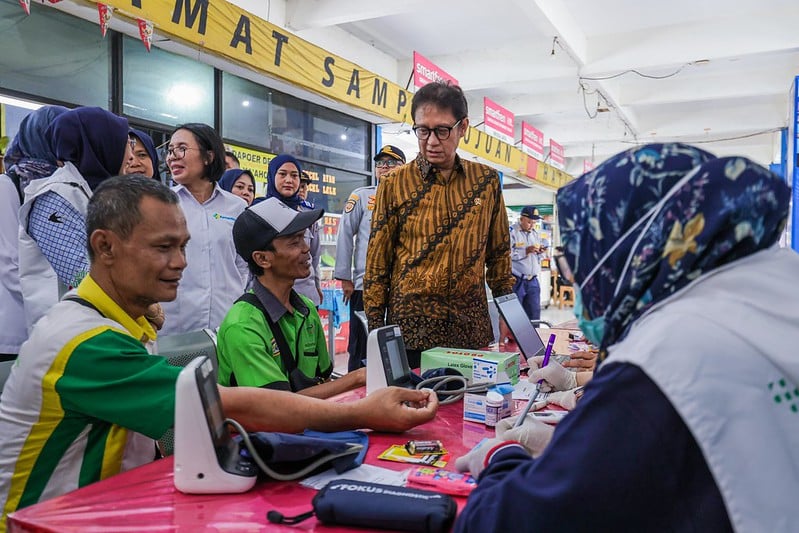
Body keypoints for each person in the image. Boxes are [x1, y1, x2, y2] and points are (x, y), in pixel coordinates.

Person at [0, 176, 438, 523]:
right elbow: (233, 405)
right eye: (163, 247)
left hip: (108, 507)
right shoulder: (84, 341)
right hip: (46, 521)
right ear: (104, 247)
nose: (181, 262)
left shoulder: (125, 322)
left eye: (183, 247)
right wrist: (363, 410)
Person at [454, 143, 798, 532]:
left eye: (577, 260)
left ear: (623, 251)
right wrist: (569, 441)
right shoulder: (774, 284)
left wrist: (500, 455)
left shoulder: (670, 351)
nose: (577, 281)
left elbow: (506, 522)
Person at [364, 82, 514, 368]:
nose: (431, 141)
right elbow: (377, 262)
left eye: (442, 130)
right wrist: (376, 329)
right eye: (423, 130)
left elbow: (499, 254)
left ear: (463, 127)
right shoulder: (394, 184)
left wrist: (509, 312)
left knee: (473, 398)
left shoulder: (485, 182)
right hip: (411, 332)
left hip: (470, 329)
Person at [217, 197, 366, 397]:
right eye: (294, 242)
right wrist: (357, 377)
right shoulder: (243, 325)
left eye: (303, 238)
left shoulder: (306, 309)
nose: (306, 248)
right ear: (262, 258)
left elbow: (323, 379)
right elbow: (276, 407)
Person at [18, 106, 131, 332]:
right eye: (126, 144)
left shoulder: (95, 195)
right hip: (68, 336)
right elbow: (81, 276)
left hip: (101, 328)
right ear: (101, 144)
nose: (130, 156)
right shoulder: (54, 198)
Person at [159, 123, 249, 335]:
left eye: (182, 148)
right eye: (170, 150)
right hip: (174, 328)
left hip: (226, 325)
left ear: (208, 156)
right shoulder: (161, 203)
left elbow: (242, 264)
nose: (172, 157)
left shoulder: (236, 207)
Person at [0, 105, 68, 360]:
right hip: (13, 329)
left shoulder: (58, 185)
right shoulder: (7, 186)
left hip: (47, 320)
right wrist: (58, 307)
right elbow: (9, 262)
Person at [335, 144, 406, 371]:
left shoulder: (412, 199)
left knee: (395, 345)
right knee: (361, 345)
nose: (384, 167)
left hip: (402, 287)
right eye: (380, 163)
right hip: (365, 286)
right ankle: (356, 389)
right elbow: (345, 234)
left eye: (391, 163)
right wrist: (345, 278)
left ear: (404, 167)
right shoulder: (362, 196)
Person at [265, 155, 323, 307]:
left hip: (306, 298)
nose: (289, 180)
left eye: (294, 175)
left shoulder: (308, 216)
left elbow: (314, 256)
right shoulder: (260, 213)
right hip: (272, 299)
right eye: (282, 174)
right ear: (272, 176)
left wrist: (317, 285)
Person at [510, 206, 546, 321]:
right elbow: (507, 254)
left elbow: (539, 256)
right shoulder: (512, 232)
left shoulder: (535, 234)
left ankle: (535, 333)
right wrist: (525, 251)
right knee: (516, 317)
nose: (532, 225)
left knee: (534, 315)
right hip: (517, 281)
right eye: (529, 222)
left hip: (533, 281)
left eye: (534, 222)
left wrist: (540, 252)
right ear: (521, 219)